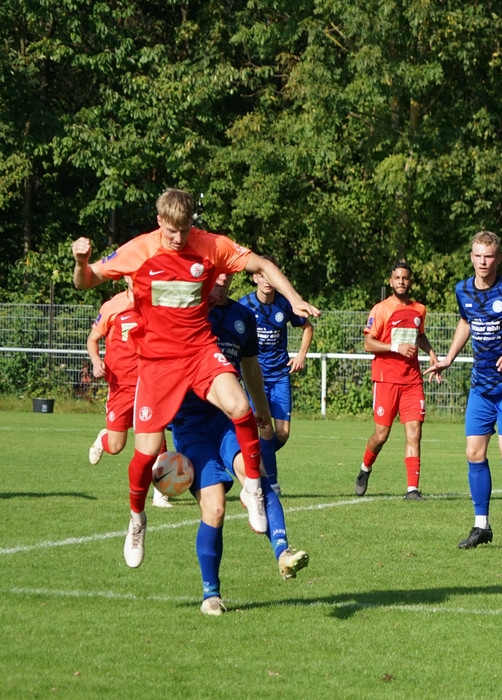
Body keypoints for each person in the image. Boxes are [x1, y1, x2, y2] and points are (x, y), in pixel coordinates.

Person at [71, 188, 320, 568]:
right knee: (145, 454)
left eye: (185, 230)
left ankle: (253, 489)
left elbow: (262, 265)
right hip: (157, 363)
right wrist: (81, 261)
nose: (178, 238)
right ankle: (137, 519)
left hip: (200, 350)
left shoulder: (209, 245)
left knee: (240, 407)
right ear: (159, 222)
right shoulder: (139, 249)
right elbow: (85, 281)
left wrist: (295, 298)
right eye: (171, 231)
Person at [173, 274, 309, 616]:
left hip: (229, 419)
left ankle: (283, 551)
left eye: (226, 276)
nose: (221, 282)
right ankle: (211, 594)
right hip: (191, 425)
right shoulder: (185, 314)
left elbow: (250, 369)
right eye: (214, 276)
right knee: (215, 509)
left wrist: (260, 411)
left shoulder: (242, 317)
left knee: (256, 474)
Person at [424, 231, 502, 549]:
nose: (483, 261)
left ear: (498, 259)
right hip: (481, 386)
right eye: (478, 255)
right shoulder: (462, 289)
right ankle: (482, 526)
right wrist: (449, 358)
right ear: (471, 257)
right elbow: (466, 321)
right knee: (474, 453)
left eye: (488, 256)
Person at [355, 260, 440, 500]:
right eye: (397, 278)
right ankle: (365, 468)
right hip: (386, 380)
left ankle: (412, 489)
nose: (401, 281)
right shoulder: (381, 309)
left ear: (410, 281)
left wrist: (432, 353)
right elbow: (368, 343)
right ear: (391, 282)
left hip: (412, 381)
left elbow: (419, 336)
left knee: (414, 432)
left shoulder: (419, 309)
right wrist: (396, 347)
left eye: (405, 278)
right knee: (381, 435)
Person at [84, 280, 171, 508]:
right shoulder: (113, 306)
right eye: (132, 274)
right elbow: (92, 340)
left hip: (150, 382)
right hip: (121, 384)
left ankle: (161, 492)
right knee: (116, 446)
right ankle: (104, 439)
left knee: (156, 437)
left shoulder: (157, 303)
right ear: (126, 278)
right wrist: (96, 361)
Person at [239, 255, 315, 492]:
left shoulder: (285, 304)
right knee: (266, 428)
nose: (266, 280)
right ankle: (271, 482)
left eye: (270, 275)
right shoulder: (244, 305)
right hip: (255, 377)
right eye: (262, 275)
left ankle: (254, 454)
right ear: (255, 278)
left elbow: (307, 327)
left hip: (280, 375)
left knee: (282, 433)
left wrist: (301, 355)